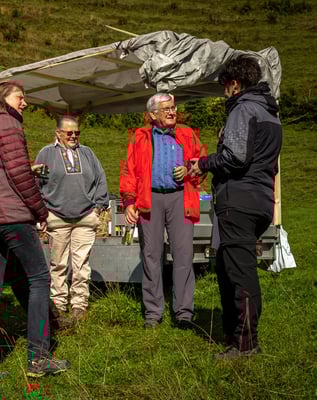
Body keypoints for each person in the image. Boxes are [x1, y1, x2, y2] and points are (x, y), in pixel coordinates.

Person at [0, 81, 70, 385]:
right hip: (10, 214)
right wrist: (40, 210)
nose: (24, 103)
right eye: (20, 97)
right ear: (4, 98)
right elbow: (19, 173)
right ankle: (39, 357)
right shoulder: (7, 123)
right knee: (39, 278)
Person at [190, 55, 282, 359]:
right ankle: (233, 335)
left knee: (239, 273)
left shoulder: (243, 109)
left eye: (225, 88)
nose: (224, 94)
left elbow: (236, 157)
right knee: (229, 268)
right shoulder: (270, 113)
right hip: (260, 199)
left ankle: (245, 344)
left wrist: (204, 163)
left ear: (234, 84)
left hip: (238, 200)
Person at [120, 93, 202, 330]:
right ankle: (153, 313)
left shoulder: (188, 134)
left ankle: (184, 312)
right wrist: (129, 202)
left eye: (173, 107)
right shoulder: (140, 136)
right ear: (153, 114)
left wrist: (188, 170)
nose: (172, 112)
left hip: (181, 197)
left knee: (183, 255)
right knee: (151, 255)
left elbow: (203, 163)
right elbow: (129, 171)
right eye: (166, 109)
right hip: (150, 199)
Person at [34, 115, 109, 322]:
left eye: (77, 132)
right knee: (58, 264)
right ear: (58, 133)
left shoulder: (87, 153)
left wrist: (98, 206)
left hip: (85, 217)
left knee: (81, 264)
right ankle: (58, 304)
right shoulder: (46, 153)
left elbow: (100, 178)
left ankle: (79, 305)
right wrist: (41, 212)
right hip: (57, 217)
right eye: (69, 133)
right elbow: (36, 183)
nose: (74, 136)